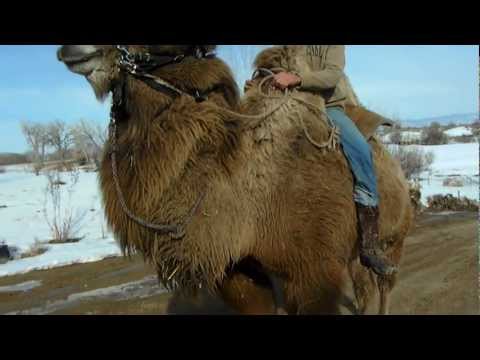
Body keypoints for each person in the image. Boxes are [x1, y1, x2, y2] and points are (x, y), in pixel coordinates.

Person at [271, 45, 396, 276]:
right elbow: (276, 66)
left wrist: (296, 79)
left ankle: (369, 244)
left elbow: (331, 76)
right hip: (290, 103)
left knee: (361, 152)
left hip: (328, 108)